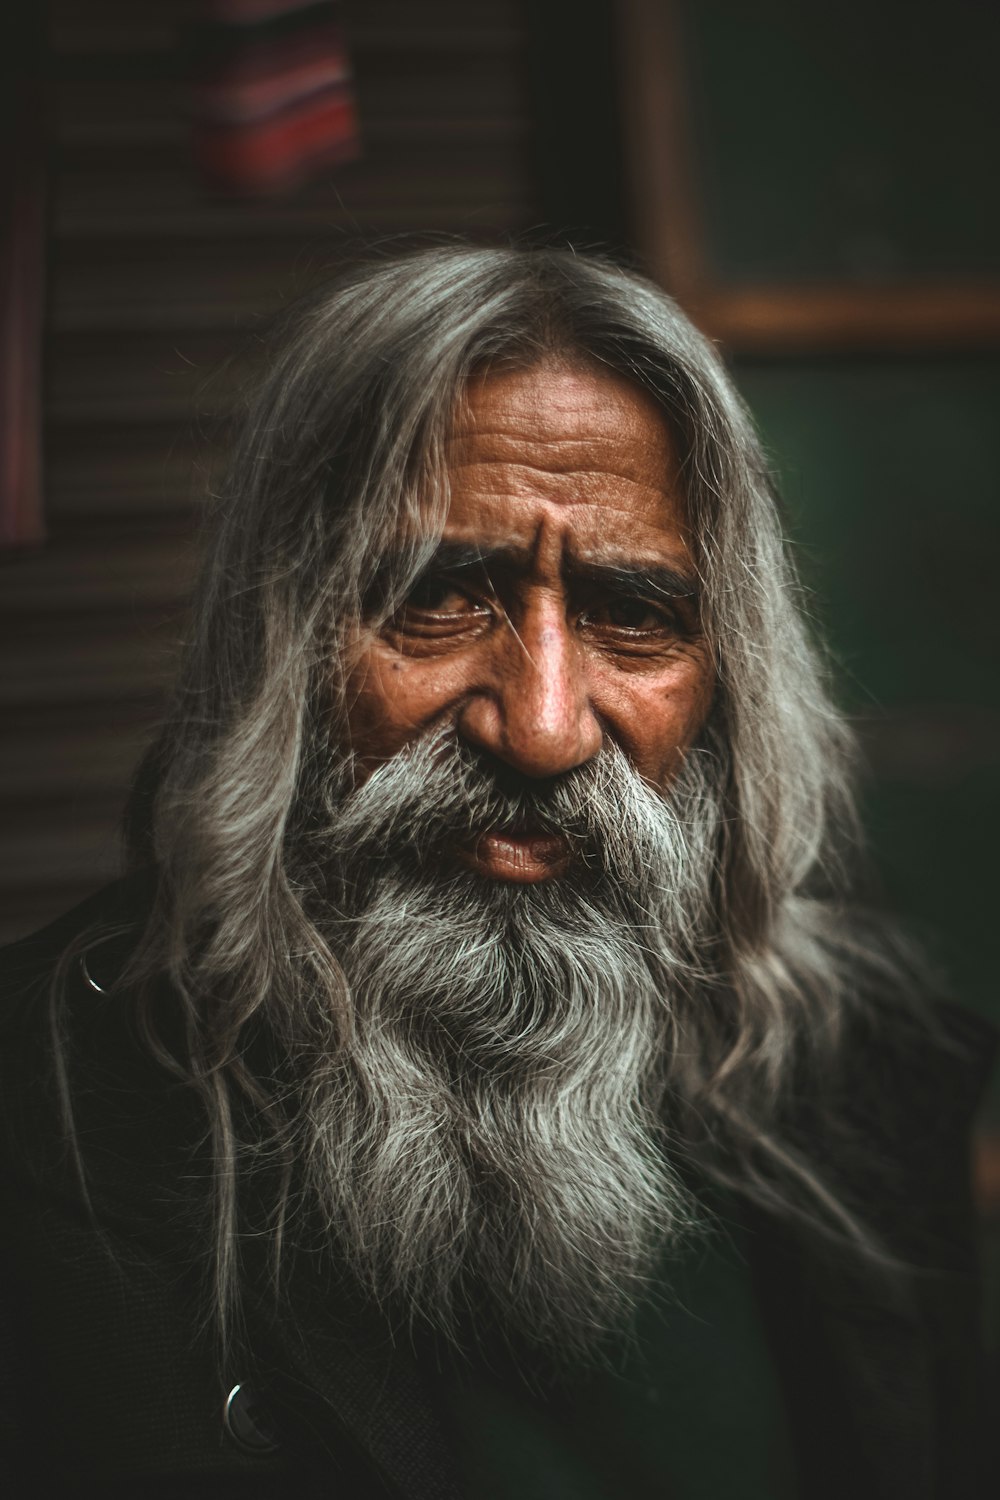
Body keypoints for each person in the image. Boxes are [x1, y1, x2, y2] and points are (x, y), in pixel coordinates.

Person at [1, 245, 994, 1499]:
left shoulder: (850, 1079)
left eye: (631, 615)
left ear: (726, 681)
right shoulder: (41, 1137)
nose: (541, 726)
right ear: (279, 642)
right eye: (439, 597)